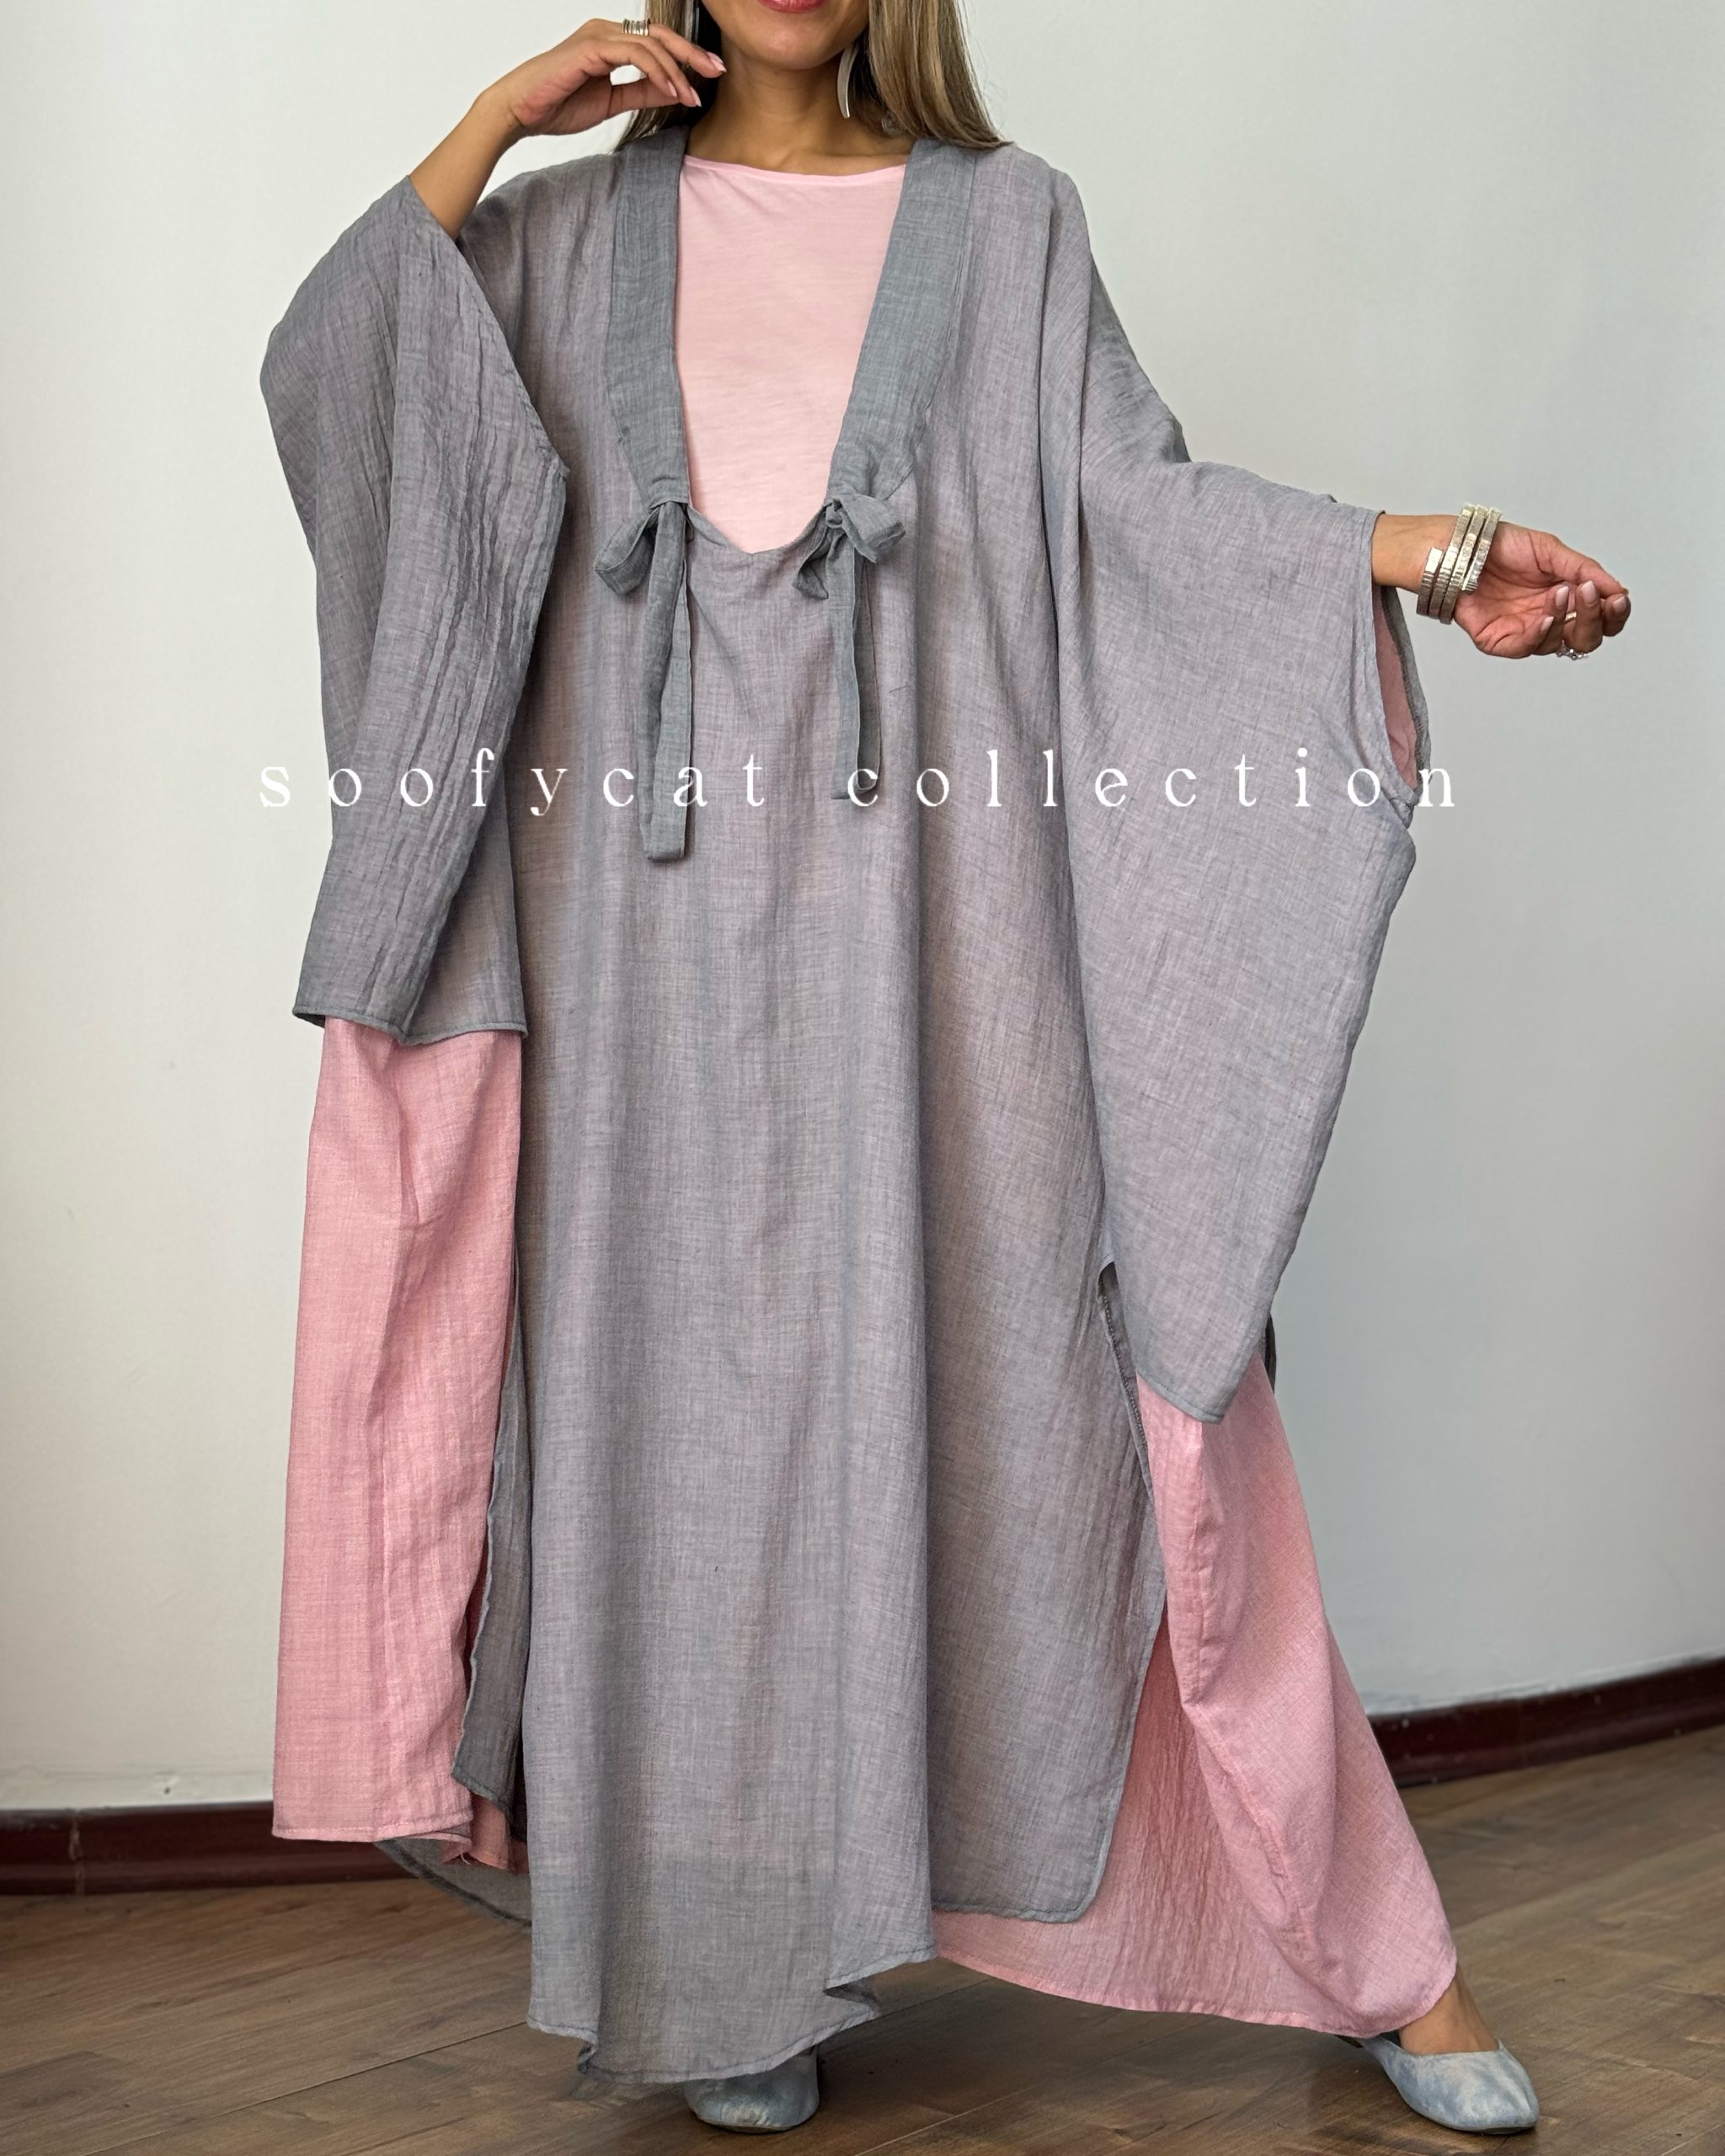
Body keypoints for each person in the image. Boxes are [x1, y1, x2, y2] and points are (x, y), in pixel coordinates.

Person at [262, 0, 1629, 2137]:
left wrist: (1429, 558)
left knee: (1131, 1412)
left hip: (951, 959)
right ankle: (723, 1972)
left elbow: (1134, 520)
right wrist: (490, 124)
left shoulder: (1008, 232)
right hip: (629, 990)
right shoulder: (545, 242)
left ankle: (1376, 1949)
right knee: (676, 1463)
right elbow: (345, 375)